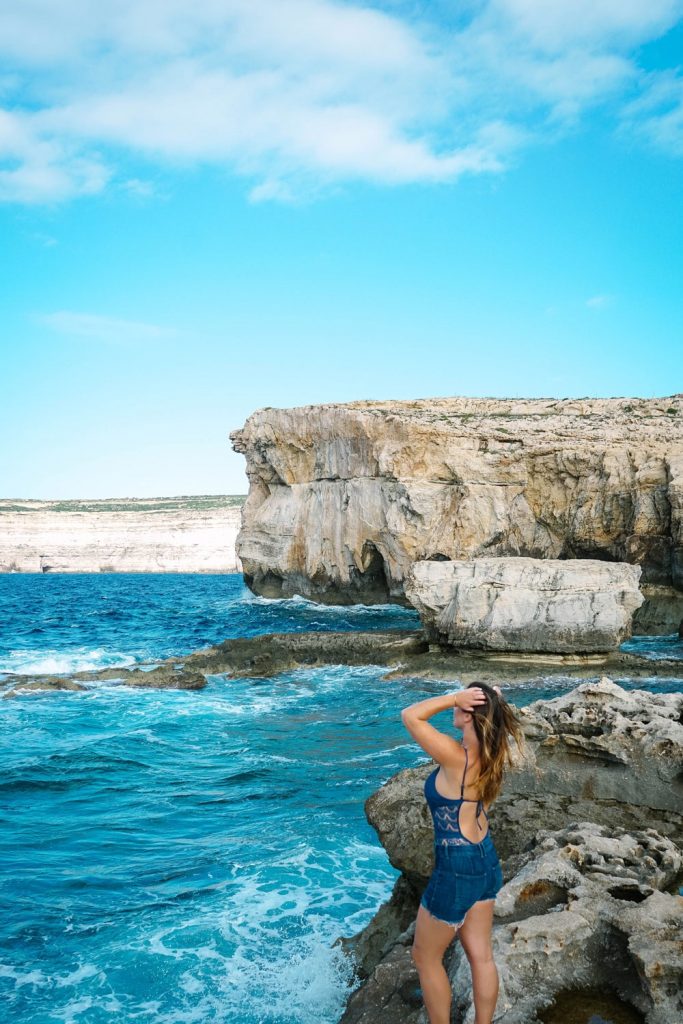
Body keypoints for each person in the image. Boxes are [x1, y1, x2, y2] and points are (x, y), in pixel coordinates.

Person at [400, 681, 525, 1024]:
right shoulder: (489, 754)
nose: (455, 707)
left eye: (461, 703)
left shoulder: (457, 758)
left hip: (457, 865)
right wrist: (490, 700)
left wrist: (455, 697)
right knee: (481, 956)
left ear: (470, 713)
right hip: (485, 857)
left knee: (425, 957)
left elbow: (410, 716)